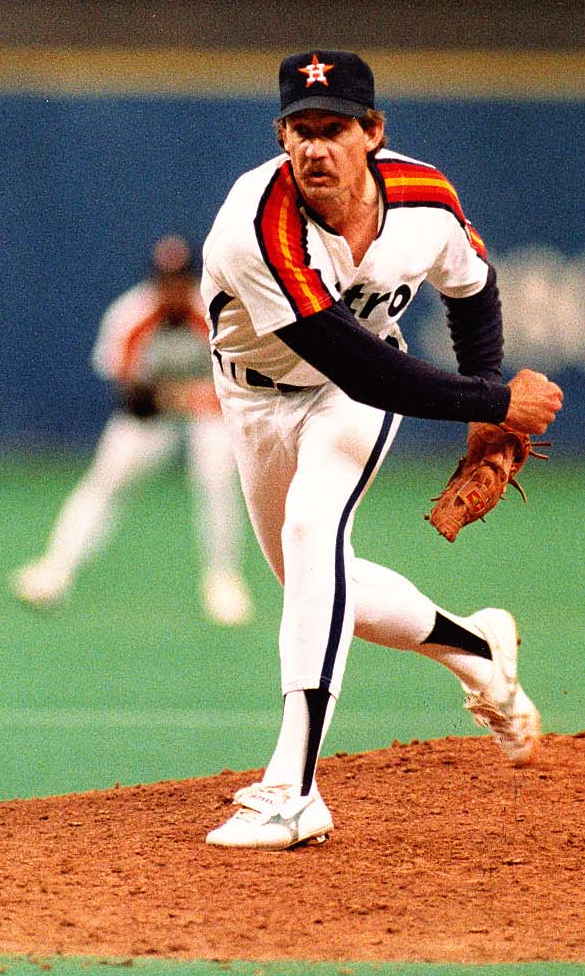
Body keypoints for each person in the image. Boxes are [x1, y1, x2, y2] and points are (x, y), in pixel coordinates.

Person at [201, 50, 563, 850]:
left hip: (348, 401)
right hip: (260, 395)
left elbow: (472, 290)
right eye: (300, 130)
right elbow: (353, 358)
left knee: (312, 536)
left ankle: (293, 790)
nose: (315, 148)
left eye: (333, 129)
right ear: (281, 135)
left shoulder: (425, 198)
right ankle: (476, 646)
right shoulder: (255, 225)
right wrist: (496, 402)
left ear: (373, 132)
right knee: (313, 581)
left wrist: (485, 395)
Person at [11, 234, 253, 626]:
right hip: (150, 418)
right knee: (107, 479)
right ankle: (55, 570)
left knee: (218, 477)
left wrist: (187, 398)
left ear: (192, 281)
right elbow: (131, 397)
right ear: (153, 281)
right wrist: (185, 396)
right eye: (164, 281)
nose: (172, 290)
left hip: (209, 416)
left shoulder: (214, 313)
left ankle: (223, 581)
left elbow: (238, 385)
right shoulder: (130, 314)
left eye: (179, 281)